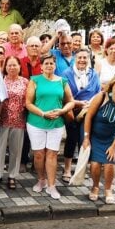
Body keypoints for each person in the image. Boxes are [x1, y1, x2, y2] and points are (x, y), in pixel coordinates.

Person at [25, 54, 75, 199]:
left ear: (55, 65)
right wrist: (43, 114)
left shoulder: (62, 81)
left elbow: (71, 101)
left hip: (56, 123)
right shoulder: (34, 80)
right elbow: (28, 103)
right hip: (36, 122)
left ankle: (52, 186)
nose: (49, 66)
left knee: (52, 154)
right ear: (41, 66)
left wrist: (63, 110)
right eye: (46, 63)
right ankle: (41, 180)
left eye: (51, 63)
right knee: (39, 154)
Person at [83, 74, 115, 203]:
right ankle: (95, 187)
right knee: (95, 164)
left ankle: (108, 189)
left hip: (111, 137)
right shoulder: (102, 97)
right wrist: (86, 137)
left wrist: (114, 146)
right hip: (94, 135)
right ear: (111, 88)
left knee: (109, 164)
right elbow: (88, 117)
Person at [61, 49, 101, 182]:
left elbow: (97, 92)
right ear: (75, 58)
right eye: (80, 58)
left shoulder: (93, 74)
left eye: (85, 58)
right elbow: (64, 94)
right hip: (71, 110)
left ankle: (81, 168)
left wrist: (89, 104)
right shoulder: (66, 73)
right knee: (71, 138)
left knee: (84, 138)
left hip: (88, 111)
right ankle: (67, 169)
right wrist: (77, 102)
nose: (82, 60)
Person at [0, 56, 28, 189]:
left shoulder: (26, 82)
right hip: (2, 119)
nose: (12, 68)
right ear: (5, 67)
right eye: (9, 65)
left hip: (19, 119)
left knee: (16, 149)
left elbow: (29, 99)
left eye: (15, 65)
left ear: (20, 67)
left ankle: (12, 175)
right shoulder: (0, 81)